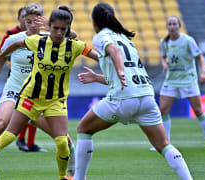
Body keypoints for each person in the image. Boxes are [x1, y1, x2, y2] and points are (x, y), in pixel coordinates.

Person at [0, 6, 98, 180]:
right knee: (7, 136)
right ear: (49, 27)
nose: (59, 32)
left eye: (63, 29)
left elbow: (97, 55)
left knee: (62, 141)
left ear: (67, 29)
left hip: (55, 100)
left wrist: (111, 61)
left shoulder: (75, 46)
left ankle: (63, 176)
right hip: (30, 96)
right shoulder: (38, 41)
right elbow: (16, 44)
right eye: (55, 28)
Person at [74, 3, 193, 180]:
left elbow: (113, 52)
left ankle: (78, 178)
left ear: (94, 21)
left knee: (83, 129)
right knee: (164, 144)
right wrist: (98, 77)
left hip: (123, 99)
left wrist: (120, 70)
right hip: (146, 96)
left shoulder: (101, 37)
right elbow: (122, 73)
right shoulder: (126, 39)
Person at [154, 15, 205, 152]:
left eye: (174, 24)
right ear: (167, 26)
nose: (172, 26)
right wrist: (165, 64)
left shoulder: (188, 41)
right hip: (171, 81)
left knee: (198, 110)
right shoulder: (164, 42)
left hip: (188, 80)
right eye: (169, 24)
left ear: (179, 25)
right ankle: (165, 142)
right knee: (163, 110)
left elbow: (200, 58)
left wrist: (203, 72)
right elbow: (164, 56)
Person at [0, 5, 46, 152]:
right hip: (16, 77)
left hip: (36, 83)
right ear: (21, 19)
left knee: (33, 113)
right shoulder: (12, 35)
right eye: (26, 19)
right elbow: (2, 55)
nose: (31, 23)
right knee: (18, 113)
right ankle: (20, 139)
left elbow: (71, 36)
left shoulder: (45, 36)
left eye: (35, 20)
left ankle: (30, 142)